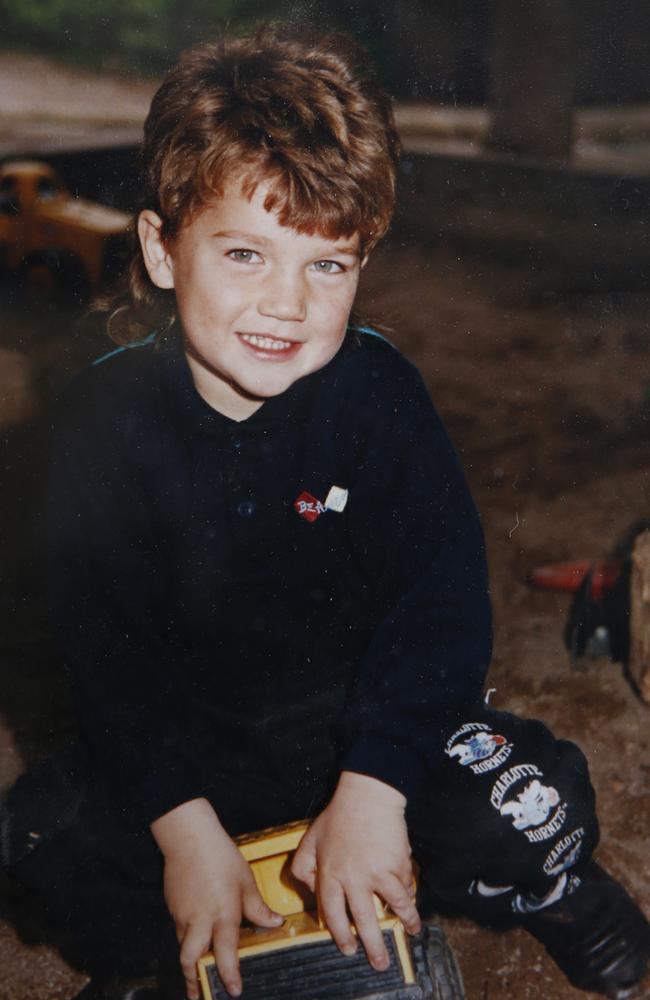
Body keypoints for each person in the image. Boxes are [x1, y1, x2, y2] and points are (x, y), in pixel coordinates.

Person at [1, 26, 648, 1000]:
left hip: (369, 725)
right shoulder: (100, 425)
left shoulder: (379, 397)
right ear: (162, 250)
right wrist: (183, 829)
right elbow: (108, 650)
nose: (287, 302)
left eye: (327, 265)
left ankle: (549, 890)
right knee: (40, 846)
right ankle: (158, 953)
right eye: (245, 253)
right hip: (196, 745)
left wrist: (377, 785)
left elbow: (441, 607)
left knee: (525, 806)